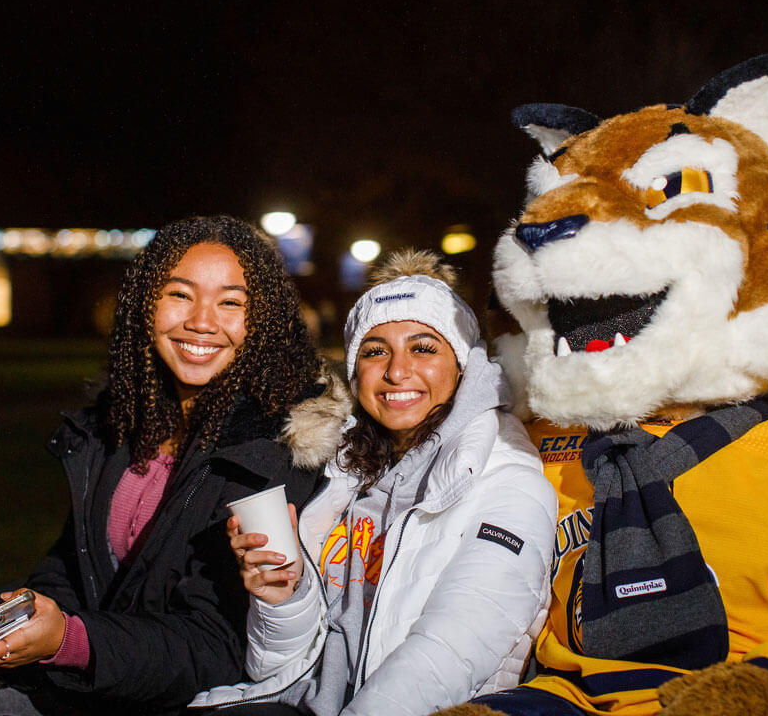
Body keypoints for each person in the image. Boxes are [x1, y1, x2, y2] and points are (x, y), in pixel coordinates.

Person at [0, 215, 349, 715]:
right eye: (179, 295)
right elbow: (69, 575)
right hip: (100, 676)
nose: (201, 320)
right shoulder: (122, 425)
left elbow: (214, 649)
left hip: (196, 699)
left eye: (230, 303)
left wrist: (67, 641)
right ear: (143, 304)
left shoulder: (268, 453)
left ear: (261, 321)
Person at [191, 250, 557, 716]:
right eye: (375, 350)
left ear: (464, 367)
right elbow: (278, 669)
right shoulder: (342, 472)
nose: (396, 371)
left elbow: (452, 651)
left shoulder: (507, 479)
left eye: (423, 348)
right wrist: (284, 596)